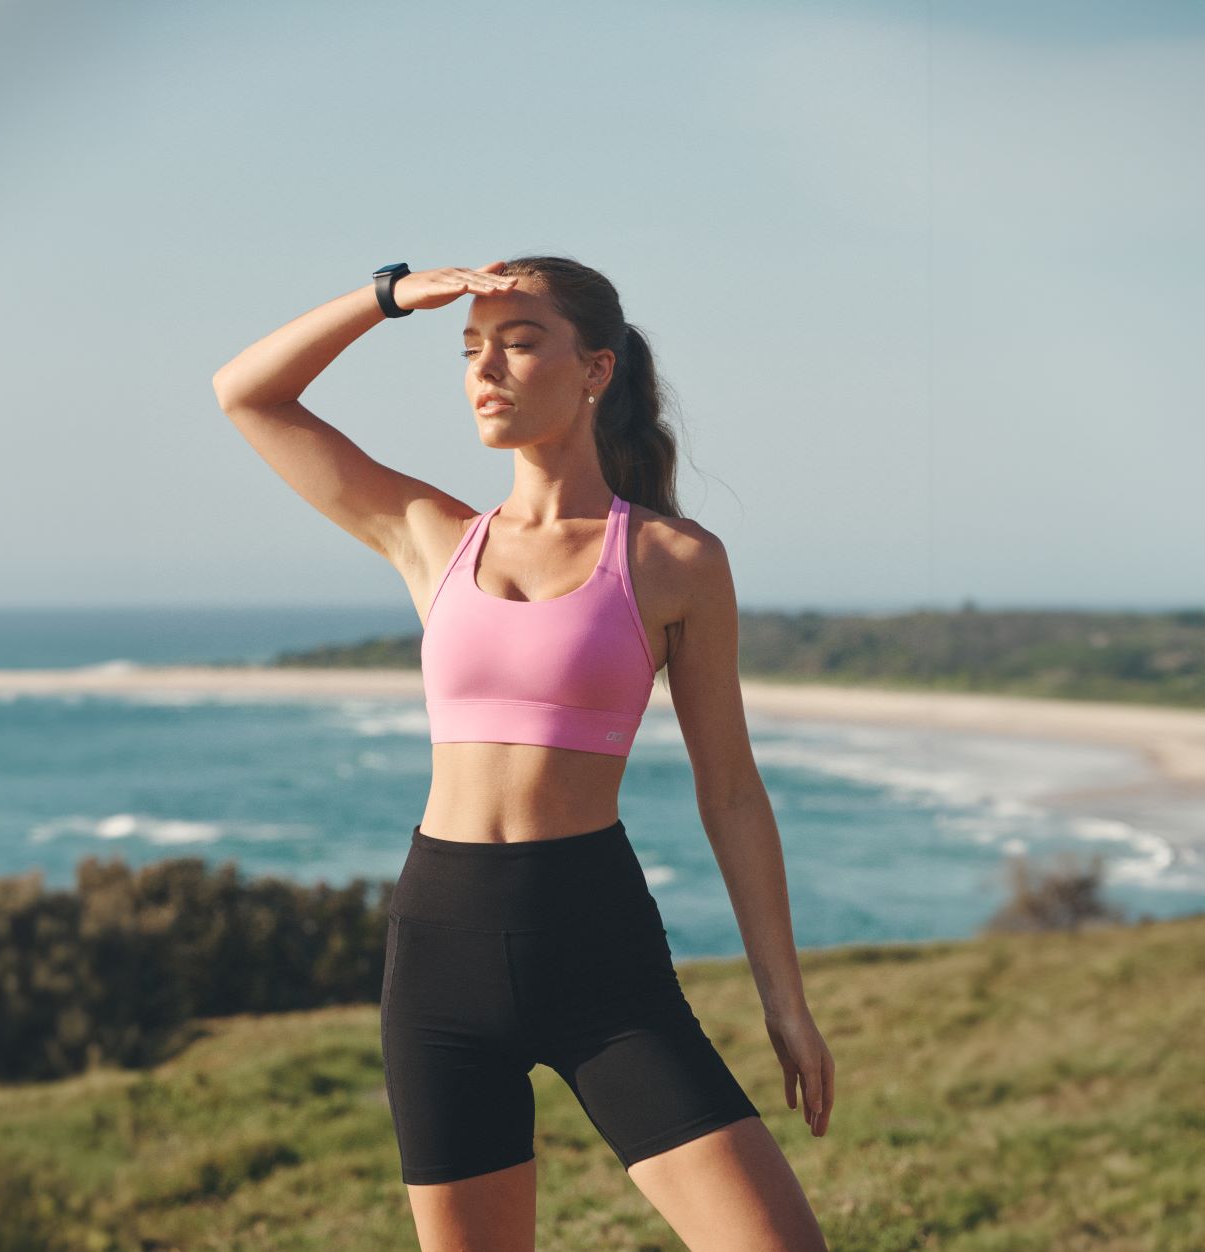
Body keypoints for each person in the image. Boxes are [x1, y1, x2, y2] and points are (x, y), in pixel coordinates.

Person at [211, 258, 834, 1251]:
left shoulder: (674, 561)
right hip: (441, 950)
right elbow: (248, 394)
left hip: (598, 952)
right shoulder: (434, 537)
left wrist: (785, 1000)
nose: (483, 370)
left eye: (517, 341)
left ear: (595, 370)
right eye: (469, 348)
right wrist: (388, 297)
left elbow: (731, 792)